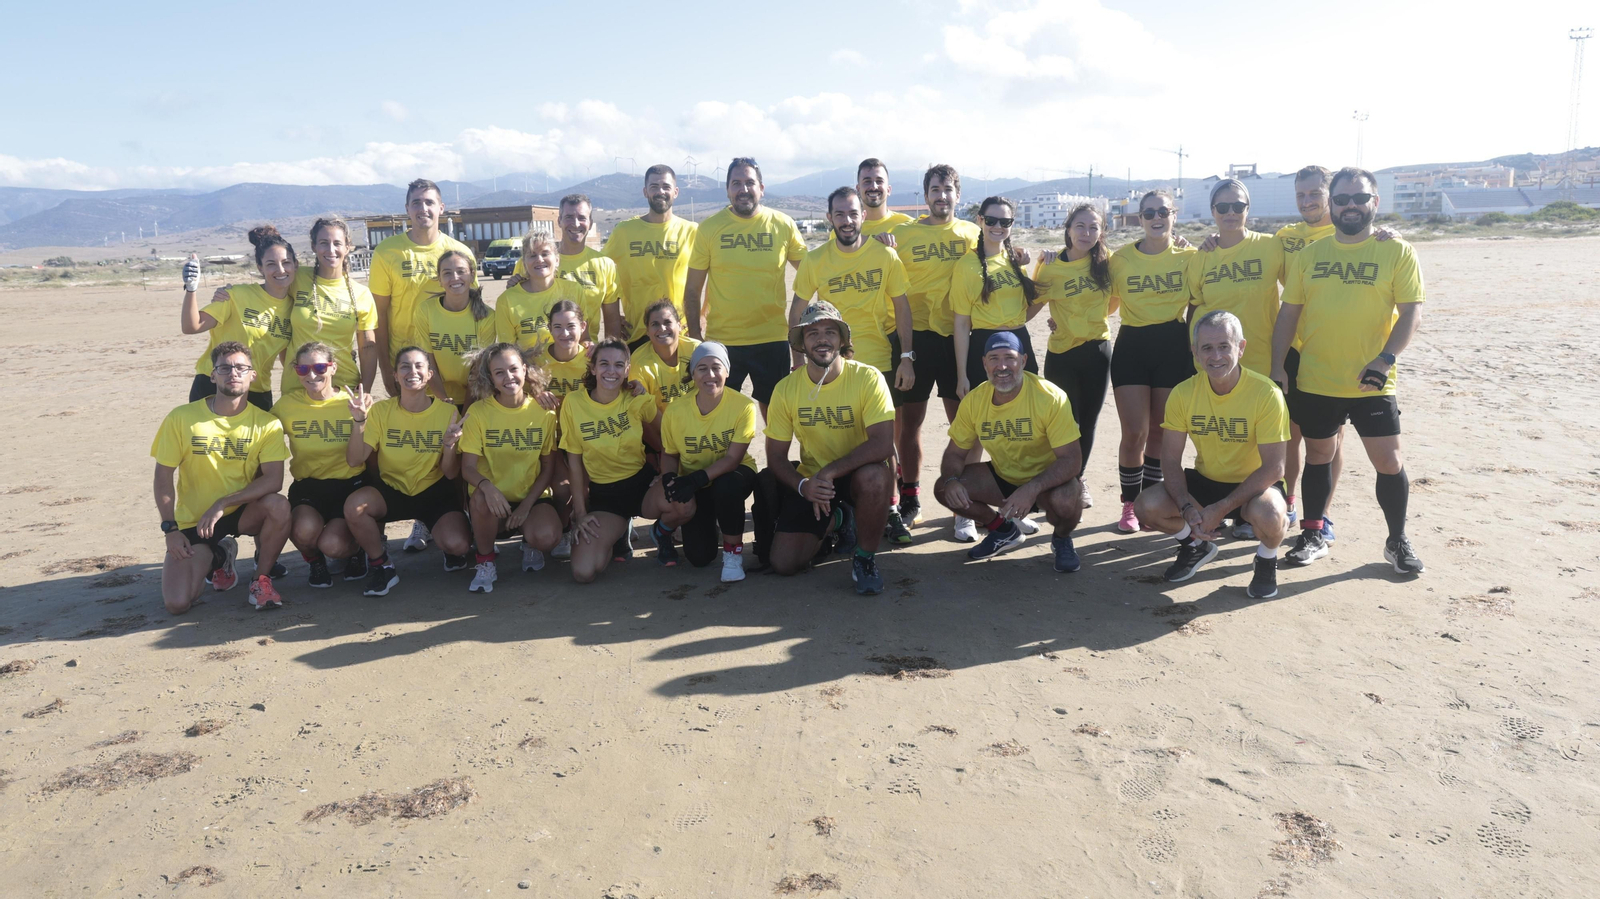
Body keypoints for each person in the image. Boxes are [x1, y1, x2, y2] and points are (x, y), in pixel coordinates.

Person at [1271, 167, 1425, 575]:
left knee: (1389, 461)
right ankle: (1313, 533)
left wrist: (1384, 359)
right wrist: (1276, 366)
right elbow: (1288, 315)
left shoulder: (1396, 251)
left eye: (1359, 198)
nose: (1350, 205)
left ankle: (1397, 540)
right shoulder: (1309, 255)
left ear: (1375, 202)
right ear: (1331, 205)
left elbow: (1411, 313)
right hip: (1317, 379)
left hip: (1371, 381)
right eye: (1342, 199)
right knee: (1319, 454)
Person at [789, 186, 916, 545]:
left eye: (853, 213)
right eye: (840, 214)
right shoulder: (816, 260)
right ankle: (839, 509)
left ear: (864, 215)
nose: (847, 220)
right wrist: (798, 362)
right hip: (830, 365)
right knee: (833, 434)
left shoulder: (885, 257)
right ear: (829, 218)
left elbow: (902, 308)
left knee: (883, 442)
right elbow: (797, 312)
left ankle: (889, 509)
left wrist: (906, 357)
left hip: (877, 362)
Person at [1135, 311, 1290, 599]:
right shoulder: (1183, 393)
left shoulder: (1266, 393)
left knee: (1271, 516)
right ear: (1195, 352)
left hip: (1255, 485)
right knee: (1146, 506)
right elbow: (1170, 459)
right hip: (1207, 479)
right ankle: (1195, 546)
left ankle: (1267, 559)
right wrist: (1186, 507)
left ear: (1241, 348)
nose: (1215, 356)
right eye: (1206, 347)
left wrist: (1222, 507)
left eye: (1224, 346)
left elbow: (1274, 468)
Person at [762, 301, 896, 594]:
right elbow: (775, 456)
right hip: (816, 482)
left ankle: (864, 558)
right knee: (785, 564)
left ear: (842, 339)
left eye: (830, 332)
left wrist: (830, 471)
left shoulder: (867, 378)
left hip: (859, 473)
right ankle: (841, 519)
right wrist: (803, 486)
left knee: (875, 477)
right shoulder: (786, 388)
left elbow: (883, 444)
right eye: (812, 333)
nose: (821, 339)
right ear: (801, 343)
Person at [152, 341, 291, 614]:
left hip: (242, 511)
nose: (233, 373)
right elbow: (163, 476)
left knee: (279, 505)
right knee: (178, 604)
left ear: (254, 375)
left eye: (241, 367)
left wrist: (223, 503)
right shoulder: (182, 418)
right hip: (197, 521)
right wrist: (171, 529)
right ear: (213, 375)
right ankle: (221, 555)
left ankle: (259, 580)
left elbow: (274, 480)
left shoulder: (267, 423)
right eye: (224, 368)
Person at [935, 332, 1086, 572]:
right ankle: (1003, 531)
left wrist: (1032, 488)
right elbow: (954, 454)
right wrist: (952, 480)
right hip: (1003, 476)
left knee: (1068, 499)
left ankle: (1061, 539)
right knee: (945, 487)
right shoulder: (975, 400)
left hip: (1046, 481)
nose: (1002, 366)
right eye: (994, 358)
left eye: (1010, 358)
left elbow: (1072, 460)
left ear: (1024, 361)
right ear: (984, 363)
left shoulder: (1050, 397)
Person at [887, 164, 982, 536]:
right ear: (925, 195)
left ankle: (964, 507)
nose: (941, 196)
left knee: (964, 427)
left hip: (960, 339)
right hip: (916, 340)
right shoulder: (901, 234)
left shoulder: (972, 232)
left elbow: (997, 260)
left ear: (958, 195)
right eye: (935, 189)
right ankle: (910, 498)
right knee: (908, 425)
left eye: (948, 189)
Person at [343, 347, 472, 596]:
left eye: (418, 366)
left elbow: (450, 473)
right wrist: (359, 422)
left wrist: (448, 447)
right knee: (354, 507)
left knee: (459, 546)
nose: (412, 372)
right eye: (404, 366)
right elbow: (354, 460)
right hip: (391, 490)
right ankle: (383, 565)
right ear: (394, 375)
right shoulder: (381, 411)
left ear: (429, 374)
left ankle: (444, 540)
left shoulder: (448, 412)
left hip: (432, 490)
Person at [683, 157, 808, 415]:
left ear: (761, 188)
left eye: (749, 182)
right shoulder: (709, 229)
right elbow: (692, 289)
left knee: (776, 415)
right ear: (728, 189)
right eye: (736, 183)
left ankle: (776, 458)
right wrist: (696, 336)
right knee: (719, 414)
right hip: (723, 341)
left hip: (771, 338)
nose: (743, 189)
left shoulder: (783, 225)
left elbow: (813, 271)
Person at [1108, 189, 1197, 534]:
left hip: (1174, 345)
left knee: (1160, 433)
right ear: (1140, 218)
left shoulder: (1191, 256)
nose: (1156, 218)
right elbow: (1103, 301)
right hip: (1133, 344)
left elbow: (1200, 301)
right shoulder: (1121, 259)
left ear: (1174, 215)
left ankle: (1150, 501)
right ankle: (1129, 504)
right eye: (1149, 213)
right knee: (1134, 433)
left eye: (1163, 211)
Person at [646, 341, 759, 581]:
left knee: (727, 485)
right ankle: (670, 528)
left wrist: (695, 479)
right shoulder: (676, 411)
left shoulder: (744, 407)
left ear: (727, 372)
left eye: (717, 367)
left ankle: (733, 555)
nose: (710, 375)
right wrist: (669, 477)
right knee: (699, 557)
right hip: (694, 484)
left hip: (732, 475)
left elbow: (732, 459)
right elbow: (670, 454)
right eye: (702, 368)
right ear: (693, 374)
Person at [455, 343, 562, 593]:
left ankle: (530, 543)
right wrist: (487, 487)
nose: (508, 377)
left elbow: (547, 468)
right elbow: (468, 468)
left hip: (531, 498)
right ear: (490, 378)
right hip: (492, 499)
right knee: (481, 499)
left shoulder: (544, 413)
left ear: (524, 370)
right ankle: (485, 561)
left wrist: (526, 506)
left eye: (513, 369)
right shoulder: (478, 413)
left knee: (547, 537)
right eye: (499, 372)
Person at [1032, 203, 1115, 511]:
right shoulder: (1051, 265)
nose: (1086, 232)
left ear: (1101, 232)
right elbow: (1031, 306)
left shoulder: (1108, 264)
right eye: (1080, 226)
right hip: (1061, 355)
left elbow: (1114, 305)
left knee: (1088, 422)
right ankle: (1058, 480)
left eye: (1094, 227)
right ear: (1067, 229)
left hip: (1097, 352)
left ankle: (1077, 481)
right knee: (1064, 424)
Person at [558, 338, 661, 583]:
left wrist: (666, 473)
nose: (611, 371)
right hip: (606, 494)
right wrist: (581, 513)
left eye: (618, 365)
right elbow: (574, 462)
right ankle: (617, 533)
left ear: (627, 370)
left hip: (642, 483)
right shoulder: (573, 403)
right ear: (593, 368)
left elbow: (670, 437)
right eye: (604, 364)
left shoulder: (635, 397)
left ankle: (664, 531)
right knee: (584, 572)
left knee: (681, 502)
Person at [271, 342, 367, 588]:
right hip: (309, 486)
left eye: (320, 367)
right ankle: (315, 561)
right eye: (303, 369)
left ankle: (358, 550)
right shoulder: (286, 405)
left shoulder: (353, 402)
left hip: (350, 485)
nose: (312, 375)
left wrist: (361, 418)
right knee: (303, 531)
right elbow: (257, 434)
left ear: (333, 368)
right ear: (295, 371)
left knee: (333, 544)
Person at [369, 178, 476, 395]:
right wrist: (386, 368)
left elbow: (473, 310)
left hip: (451, 363)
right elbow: (378, 315)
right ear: (407, 209)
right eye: (416, 203)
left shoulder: (459, 252)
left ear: (441, 208)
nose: (423, 208)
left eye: (429, 202)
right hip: (407, 365)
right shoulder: (387, 252)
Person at [180, 226, 294, 411]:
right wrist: (191, 288)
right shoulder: (236, 295)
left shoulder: (294, 308)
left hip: (257, 389)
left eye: (286, 262)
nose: (280, 269)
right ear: (260, 268)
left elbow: (285, 357)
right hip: (215, 384)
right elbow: (191, 326)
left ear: (295, 265)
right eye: (271, 264)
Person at [952, 196, 1044, 399]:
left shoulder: (1016, 260)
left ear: (1012, 224)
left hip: (1020, 342)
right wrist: (962, 375)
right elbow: (961, 323)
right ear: (980, 220)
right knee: (986, 417)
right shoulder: (966, 266)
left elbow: (1023, 310)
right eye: (991, 220)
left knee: (1026, 410)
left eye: (1005, 222)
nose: (997, 226)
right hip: (984, 345)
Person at [282, 216, 378, 396]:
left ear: (348, 247)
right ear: (314, 247)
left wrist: (366, 388)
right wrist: (231, 291)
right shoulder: (296, 278)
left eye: (337, 243)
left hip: (343, 385)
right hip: (298, 383)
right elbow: (267, 295)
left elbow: (368, 348)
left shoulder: (361, 294)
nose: (331, 250)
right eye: (324, 243)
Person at [603, 166, 698, 349]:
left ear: (675, 192)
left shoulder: (692, 231)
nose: (660, 191)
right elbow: (599, 272)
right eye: (654, 186)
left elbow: (711, 277)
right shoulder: (624, 231)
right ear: (645, 191)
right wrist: (613, 318)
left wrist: (701, 317)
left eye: (666, 186)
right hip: (637, 332)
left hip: (680, 333)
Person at [531, 298, 594, 560]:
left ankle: (613, 524)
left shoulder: (592, 357)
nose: (565, 333)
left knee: (593, 486)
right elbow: (518, 394)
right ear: (549, 328)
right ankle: (565, 527)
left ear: (583, 326)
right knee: (562, 489)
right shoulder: (536, 359)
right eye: (557, 327)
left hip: (588, 436)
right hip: (553, 439)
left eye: (571, 326)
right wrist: (536, 392)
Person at [413, 249, 495, 407]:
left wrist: (465, 410)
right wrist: (444, 401)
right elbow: (427, 362)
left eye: (461, 271)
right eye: (447, 273)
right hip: (435, 397)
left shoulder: (487, 316)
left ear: (472, 275)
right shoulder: (425, 310)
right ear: (439, 279)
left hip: (474, 398)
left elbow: (478, 370)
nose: (455, 278)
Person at [496, 230, 585, 353]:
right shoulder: (506, 300)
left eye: (545, 254)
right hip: (530, 370)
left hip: (570, 369)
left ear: (557, 259)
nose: (539, 259)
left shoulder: (574, 291)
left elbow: (584, 339)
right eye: (532, 255)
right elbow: (507, 351)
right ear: (524, 263)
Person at [630, 300, 701, 412]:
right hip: (659, 425)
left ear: (679, 326)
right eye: (655, 324)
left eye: (667, 322)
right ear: (647, 331)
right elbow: (644, 410)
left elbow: (710, 392)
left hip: (695, 422)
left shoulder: (696, 350)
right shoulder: (639, 361)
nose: (662, 328)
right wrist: (667, 428)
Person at [856, 158, 913, 238]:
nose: (873, 187)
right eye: (867, 181)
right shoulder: (845, 231)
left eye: (879, 181)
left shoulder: (909, 225)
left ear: (889, 190)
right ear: (858, 189)